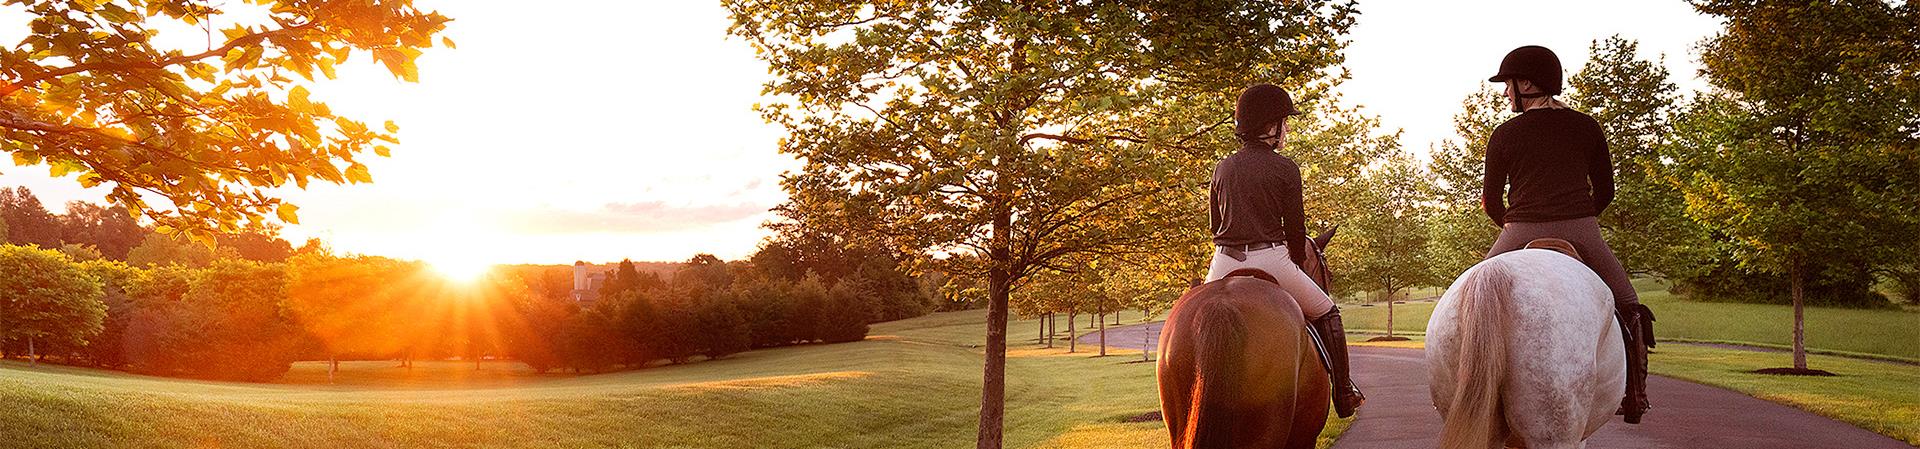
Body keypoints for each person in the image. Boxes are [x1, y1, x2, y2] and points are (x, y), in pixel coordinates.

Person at [1481, 45, 1654, 423]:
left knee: (1471, 298)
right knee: (1629, 303)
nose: (1505, 93)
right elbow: (1606, 191)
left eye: (1508, 84)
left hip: (1519, 229)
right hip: (1581, 227)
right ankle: (1635, 394)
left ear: (1527, 84)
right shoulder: (1587, 127)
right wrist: (1579, 218)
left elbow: (1490, 201)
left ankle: (1468, 390)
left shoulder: (1504, 134)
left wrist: (1513, 224)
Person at [1206, 83, 1365, 418]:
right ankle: (1343, 393)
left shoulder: (1222, 167)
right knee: (1328, 312)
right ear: (1269, 126)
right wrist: (1296, 260)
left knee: (1198, 317)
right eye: (1284, 122)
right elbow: (1295, 231)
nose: (1287, 129)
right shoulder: (1285, 168)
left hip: (1223, 262)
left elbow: (1214, 224)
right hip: (1271, 259)